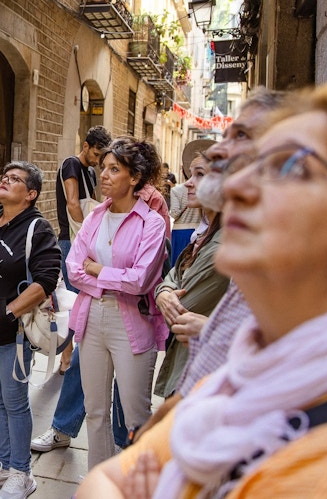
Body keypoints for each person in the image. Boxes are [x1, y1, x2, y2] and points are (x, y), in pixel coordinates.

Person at [77, 78, 327, 498]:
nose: (238, 186)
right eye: (252, 165)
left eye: (287, 168)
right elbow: (106, 480)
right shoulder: (249, 371)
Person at [132, 89, 287, 439]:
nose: (219, 152)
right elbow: (173, 276)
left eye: (241, 136)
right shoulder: (228, 235)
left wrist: (212, 328)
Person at [66, 137, 168, 470]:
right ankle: (98, 483)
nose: (104, 175)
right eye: (102, 168)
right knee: (95, 411)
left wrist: (98, 270)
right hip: (92, 318)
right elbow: (73, 269)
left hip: (132, 325)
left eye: (114, 169)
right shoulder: (95, 216)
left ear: (134, 178)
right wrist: (109, 277)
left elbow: (140, 281)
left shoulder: (151, 223)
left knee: (136, 414)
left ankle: (143, 485)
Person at [0, 162, 61, 499]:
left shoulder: (37, 228)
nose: (6, 181)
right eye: (4, 176)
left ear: (31, 194)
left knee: (15, 403)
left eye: (16, 179)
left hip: (15, 331)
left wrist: (9, 313)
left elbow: (45, 280)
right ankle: (5, 464)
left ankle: (22, 473)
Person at [154, 150, 230, 399]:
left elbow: (181, 310)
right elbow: (174, 274)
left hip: (199, 373)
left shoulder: (221, 245)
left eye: (200, 175)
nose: (188, 182)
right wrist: (164, 292)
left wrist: (165, 295)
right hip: (188, 365)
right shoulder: (204, 232)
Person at [56, 125, 111, 374]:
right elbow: (72, 202)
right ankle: (66, 359)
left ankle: (72, 358)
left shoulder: (89, 172)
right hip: (71, 241)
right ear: (86, 146)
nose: (99, 161)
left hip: (80, 243)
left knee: (78, 302)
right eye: (97, 154)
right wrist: (82, 233)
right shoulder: (71, 164)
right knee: (72, 302)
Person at [169, 140, 215, 264]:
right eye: (191, 174)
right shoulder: (201, 233)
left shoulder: (221, 241)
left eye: (200, 174)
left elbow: (174, 213)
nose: (188, 183)